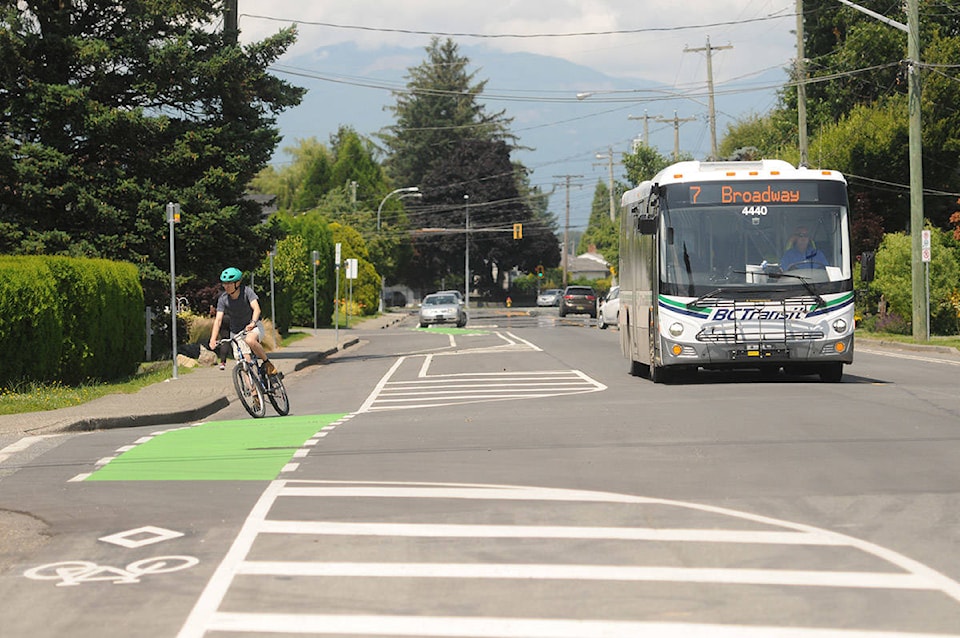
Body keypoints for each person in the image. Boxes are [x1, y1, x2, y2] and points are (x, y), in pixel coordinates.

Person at [208, 267, 278, 377]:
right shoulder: (223, 299)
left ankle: (267, 362)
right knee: (244, 363)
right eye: (224, 284)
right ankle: (255, 393)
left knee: (250, 340)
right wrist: (213, 338)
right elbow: (218, 320)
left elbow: (256, 309)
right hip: (236, 331)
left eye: (229, 283)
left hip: (253, 326)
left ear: (237, 283)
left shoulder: (247, 292)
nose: (226, 286)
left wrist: (253, 322)